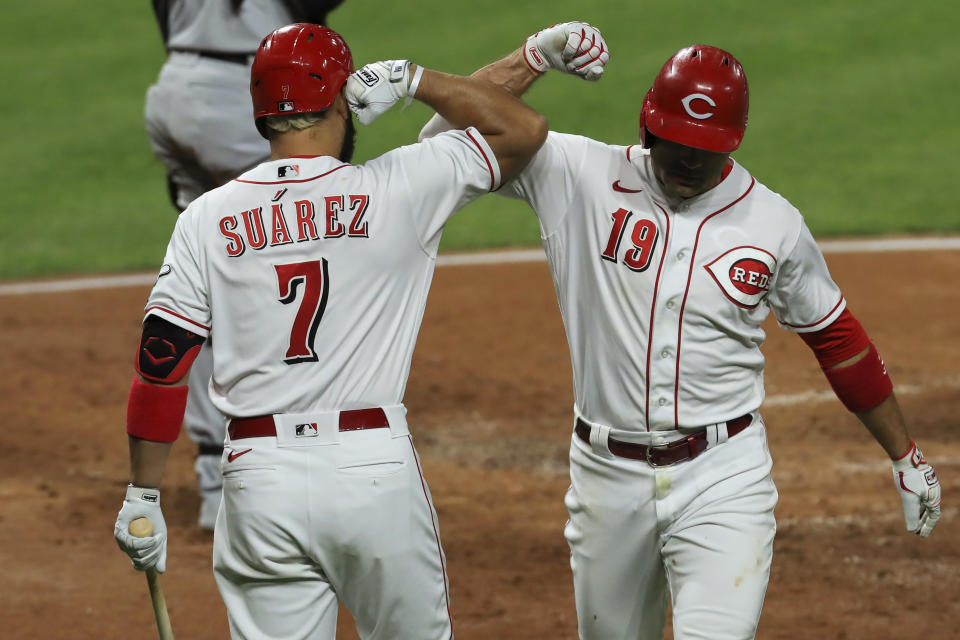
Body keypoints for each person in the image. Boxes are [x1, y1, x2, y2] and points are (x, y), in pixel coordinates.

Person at [420, 26, 943, 639]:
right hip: (605, 479)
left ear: (736, 141)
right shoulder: (577, 174)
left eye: (709, 146)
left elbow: (837, 338)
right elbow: (441, 141)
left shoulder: (773, 222)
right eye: (678, 142)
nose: (691, 160)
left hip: (724, 475)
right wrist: (532, 58)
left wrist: (906, 455)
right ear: (647, 125)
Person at [114, 23, 547, 638]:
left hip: (257, 479)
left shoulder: (206, 217)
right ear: (344, 99)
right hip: (370, 470)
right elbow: (520, 130)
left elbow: (161, 359)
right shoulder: (397, 188)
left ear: (261, 113)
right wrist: (413, 80)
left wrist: (144, 494)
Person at [146, 0, 345, 530]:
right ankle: (282, 459)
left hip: (175, 88)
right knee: (283, 258)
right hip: (251, 93)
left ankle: (213, 478)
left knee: (207, 272)